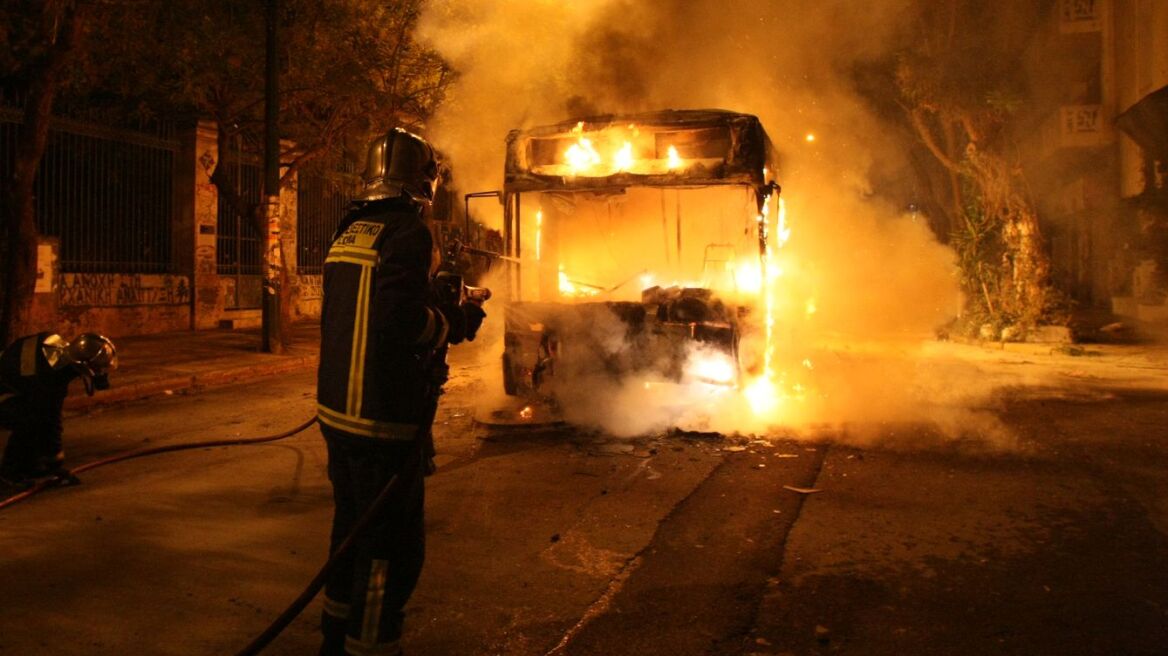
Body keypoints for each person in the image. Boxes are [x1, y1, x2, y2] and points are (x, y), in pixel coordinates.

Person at [316, 127, 485, 656]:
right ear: (424, 181)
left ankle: (333, 641)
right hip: (382, 419)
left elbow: (368, 306)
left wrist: (429, 298)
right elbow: (396, 320)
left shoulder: (351, 229)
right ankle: (372, 647)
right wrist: (453, 321)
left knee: (349, 532)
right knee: (390, 549)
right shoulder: (410, 232)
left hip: (338, 412)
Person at [0, 332, 117, 487]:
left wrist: (52, 460)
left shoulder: (58, 351)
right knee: (29, 419)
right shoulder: (47, 376)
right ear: (83, 365)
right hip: (3, 389)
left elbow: (51, 412)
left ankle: (30, 465)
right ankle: (10, 472)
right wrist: (54, 460)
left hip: (13, 383)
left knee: (36, 414)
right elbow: (49, 414)